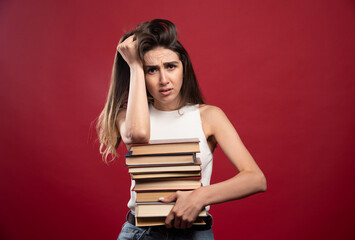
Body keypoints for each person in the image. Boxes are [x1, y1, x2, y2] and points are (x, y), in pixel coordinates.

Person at [97, 19, 267, 240]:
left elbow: (256, 179)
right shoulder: (127, 116)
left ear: (183, 67)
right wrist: (135, 66)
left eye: (170, 66)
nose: (164, 80)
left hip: (194, 233)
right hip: (140, 232)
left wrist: (199, 197)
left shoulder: (209, 116)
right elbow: (138, 135)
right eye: (151, 70)